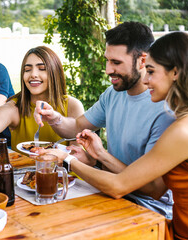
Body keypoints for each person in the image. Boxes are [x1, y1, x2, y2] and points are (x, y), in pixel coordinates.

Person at [41, 32, 188, 239]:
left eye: (151, 72)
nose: (146, 80)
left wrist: (66, 159)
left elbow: (118, 186)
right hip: (186, 227)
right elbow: (152, 185)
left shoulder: (185, 130)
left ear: (175, 72)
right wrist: (99, 156)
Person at [34, 22, 175, 219]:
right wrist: (54, 118)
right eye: (107, 61)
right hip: (110, 191)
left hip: (148, 208)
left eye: (116, 63)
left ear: (142, 60)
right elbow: (75, 126)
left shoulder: (163, 110)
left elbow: (152, 189)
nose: (108, 70)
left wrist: (90, 158)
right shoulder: (113, 94)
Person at [0, 46, 84, 150]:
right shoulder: (14, 107)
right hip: (24, 178)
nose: (33, 75)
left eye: (41, 68)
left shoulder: (73, 106)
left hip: (66, 179)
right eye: (27, 70)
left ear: (54, 73)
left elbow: (77, 151)